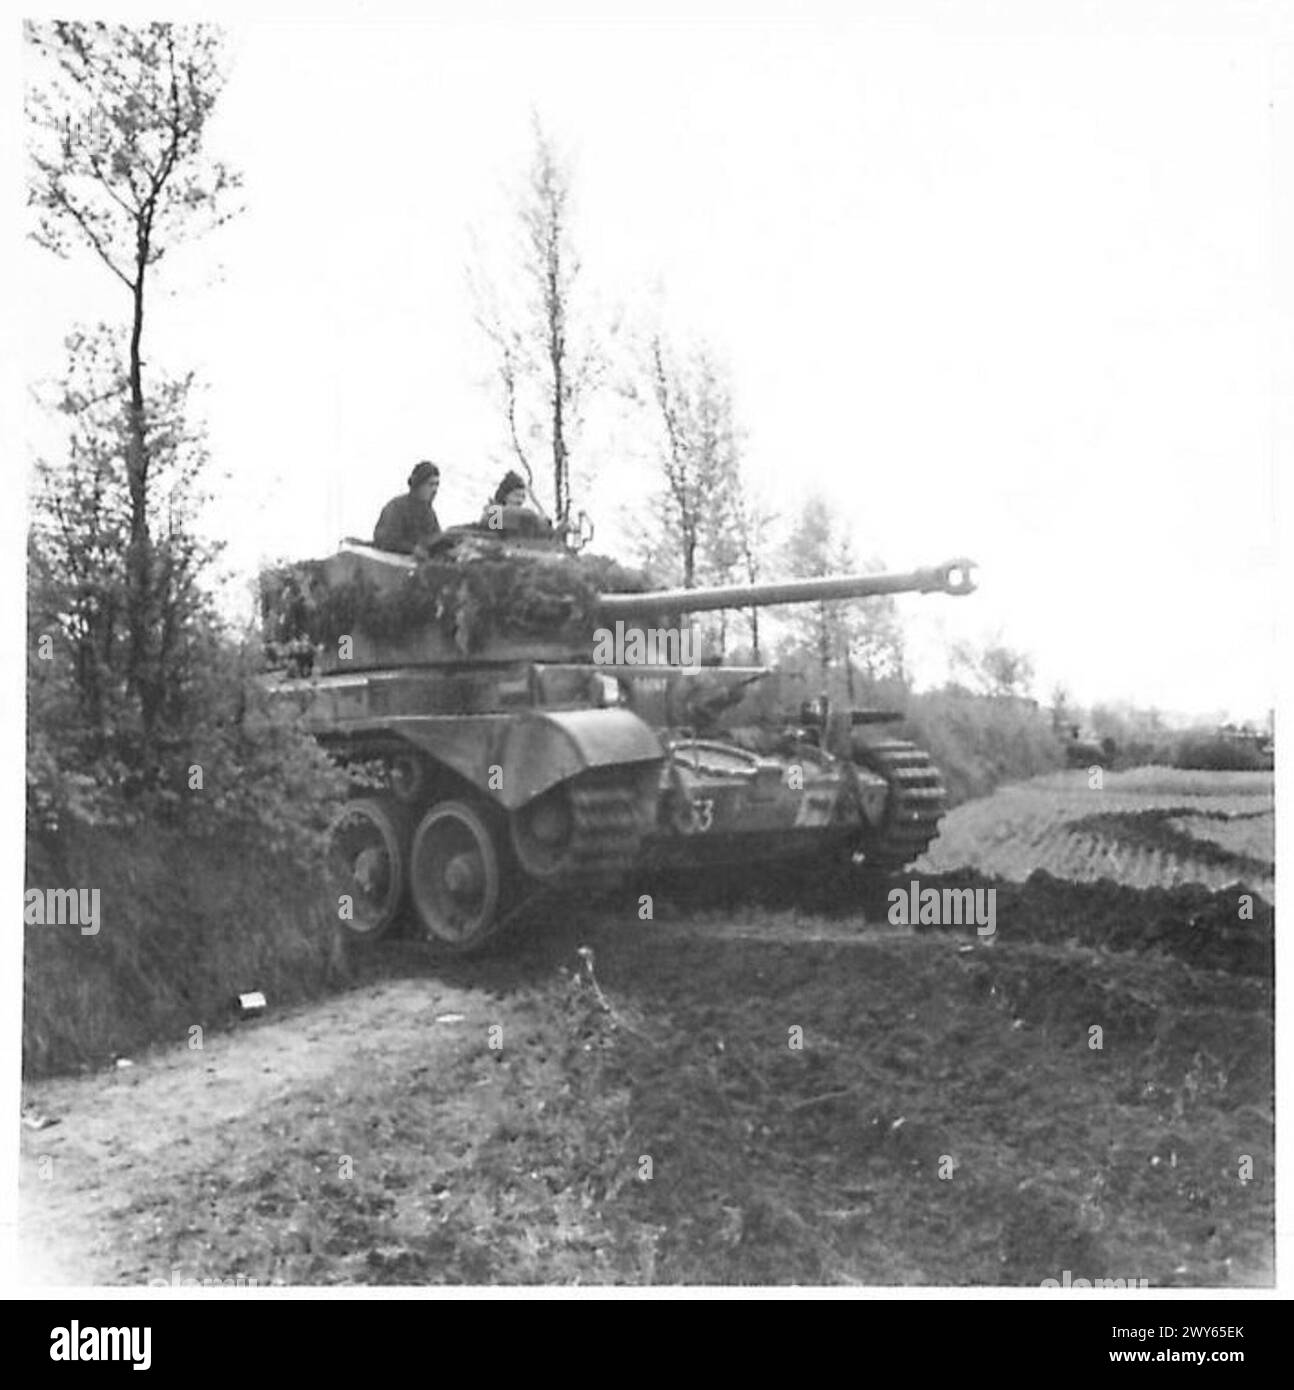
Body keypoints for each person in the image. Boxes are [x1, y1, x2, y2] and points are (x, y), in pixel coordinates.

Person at [373, 461, 441, 554]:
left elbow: (436, 539)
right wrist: (412, 549)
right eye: (430, 484)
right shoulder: (396, 507)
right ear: (418, 485)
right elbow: (385, 539)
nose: (435, 490)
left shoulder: (429, 514)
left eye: (437, 485)